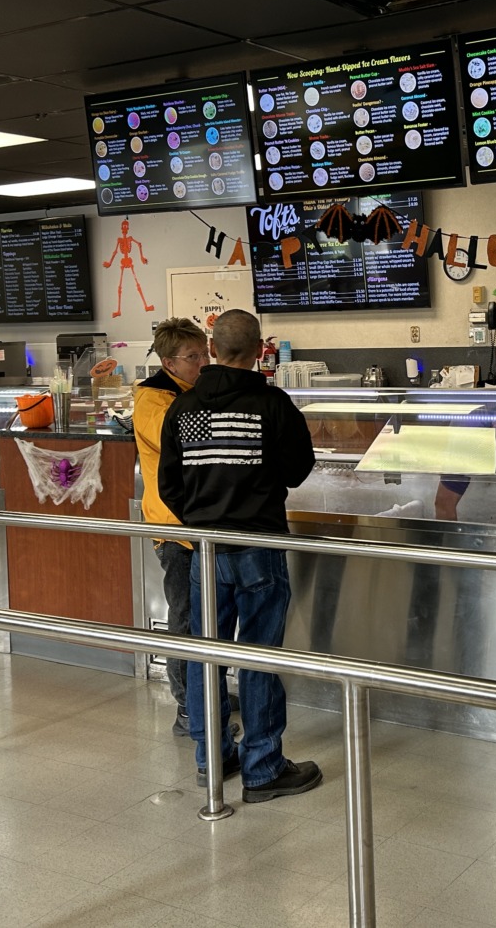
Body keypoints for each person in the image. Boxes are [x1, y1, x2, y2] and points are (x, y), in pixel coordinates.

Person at [158, 309, 321, 802]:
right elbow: (297, 470)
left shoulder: (182, 409)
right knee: (257, 659)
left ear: (211, 348)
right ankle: (263, 769)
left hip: (204, 550)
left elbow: (168, 486)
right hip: (259, 546)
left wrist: (204, 518)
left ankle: (212, 762)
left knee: (207, 656)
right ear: (258, 351)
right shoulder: (272, 403)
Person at [133, 318, 209, 738]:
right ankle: (186, 708)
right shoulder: (152, 400)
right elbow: (185, 441)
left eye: (205, 354)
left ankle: (205, 691)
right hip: (174, 527)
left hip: (200, 524)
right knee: (183, 620)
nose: (202, 363)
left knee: (206, 621)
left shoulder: (190, 391)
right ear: (168, 363)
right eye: (193, 357)